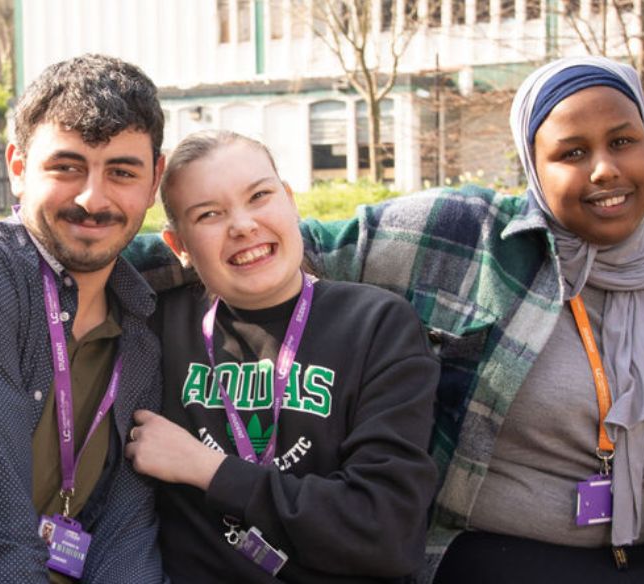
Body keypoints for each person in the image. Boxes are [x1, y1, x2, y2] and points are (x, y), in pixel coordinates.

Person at [131, 56, 644, 583]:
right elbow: (291, 242)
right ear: (534, 168)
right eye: (571, 152)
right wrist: (81, 246)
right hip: (494, 554)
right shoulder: (465, 237)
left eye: (623, 141)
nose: (604, 169)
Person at [125, 130, 439, 583]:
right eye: (209, 214)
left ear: (290, 201)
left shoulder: (376, 324)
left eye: (259, 196)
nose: (242, 225)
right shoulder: (158, 327)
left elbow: (385, 530)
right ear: (179, 247)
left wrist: (208, 469)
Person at [0, 54, 167, 582]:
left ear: (154, 182)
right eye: (67, 167)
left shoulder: (140, 317)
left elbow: (127, 524)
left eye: (122, 172)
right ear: (18, 167)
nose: (93, 198)